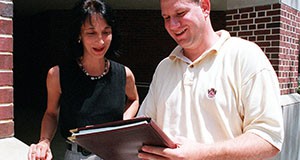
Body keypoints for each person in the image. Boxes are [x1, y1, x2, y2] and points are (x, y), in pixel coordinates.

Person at [137, 0, 284, 159]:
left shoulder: (246, 57)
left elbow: (269, 138)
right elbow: (142, 129)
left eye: (180, 14)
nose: (172, 25)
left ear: (205, 7)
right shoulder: (164, 68)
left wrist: (203, 154)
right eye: (166, 17)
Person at [28, 0, 139, 159]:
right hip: (77, 155)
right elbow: (51, 113)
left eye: (106, 32)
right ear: (79, 35)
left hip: (115, 153)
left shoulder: (124, 74)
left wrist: (122, 124)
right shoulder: (57, 74)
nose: (100, 41)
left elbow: (134, 99)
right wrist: (44, 141)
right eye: (91, 33)